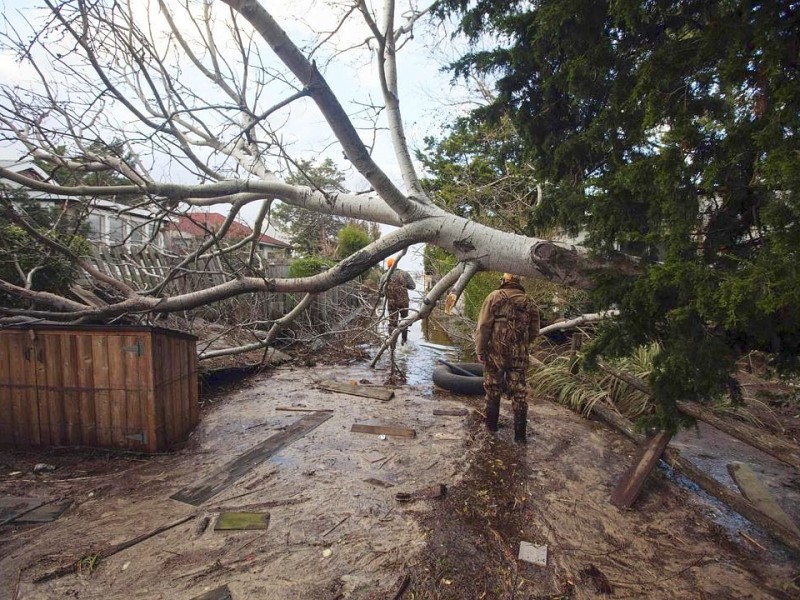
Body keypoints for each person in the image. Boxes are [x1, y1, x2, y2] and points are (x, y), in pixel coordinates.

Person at [475, 273, 540, 443]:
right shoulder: (529, 302)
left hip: (496, 354)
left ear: (504, 281)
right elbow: (534, 331)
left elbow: (483, 327)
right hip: (519, 355)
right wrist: (522, 345)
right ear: (519, 282)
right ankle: (519, 438)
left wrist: (481, 350)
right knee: (519, 393)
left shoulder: (494, 297)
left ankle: (491, 429)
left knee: (493, 388)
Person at [380, 257, 416, 344]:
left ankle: (392, 345)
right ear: (396, 264)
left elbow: (381, 293)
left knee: (392, 324)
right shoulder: (404, 274)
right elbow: (413, 286)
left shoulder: (384, 277)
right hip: (404, 303)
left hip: (392, 304)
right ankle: (404, 342)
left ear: (388, 266)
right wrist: (403, 285)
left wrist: (388, 291)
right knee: (405, 321)